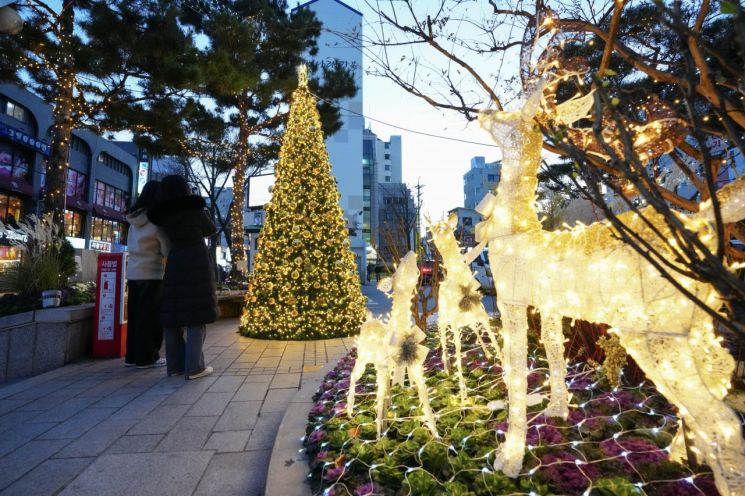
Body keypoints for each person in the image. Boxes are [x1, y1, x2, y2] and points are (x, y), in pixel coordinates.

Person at [148, 175, 219, 380]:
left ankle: (175, 367)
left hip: (175, 261)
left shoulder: (162, 214)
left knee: (174, 317)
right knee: (196, 316)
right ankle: (195, 368)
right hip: (197, 262)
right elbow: (211, 229)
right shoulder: (195, 208)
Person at [124, 180, 168, 369]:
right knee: (149, 318)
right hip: (151, 273)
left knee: (135, 316)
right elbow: (166, 249)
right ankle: (147, 357)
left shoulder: (133, 220)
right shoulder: (156, 222)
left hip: (133, 273)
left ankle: (131, 357)